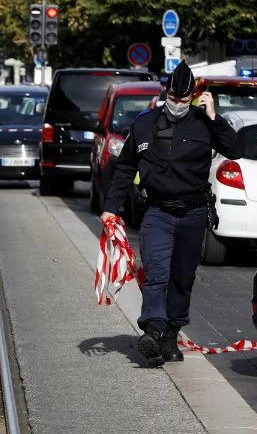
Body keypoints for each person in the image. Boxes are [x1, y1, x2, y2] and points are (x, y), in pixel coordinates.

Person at [102, 61, 244, 367]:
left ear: (193, 96)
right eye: (173, 98)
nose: (178, 105)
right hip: (157, 211)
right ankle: (152, 330)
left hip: (193, 213)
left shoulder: (204, 123)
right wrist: (110, 208)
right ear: (165, 94)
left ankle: (170, 335)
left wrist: (214, 118)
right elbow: (125, 167)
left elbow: (236, 150)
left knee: (182, 278)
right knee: (156, 272)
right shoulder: (145, 124)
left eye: (184, 100)